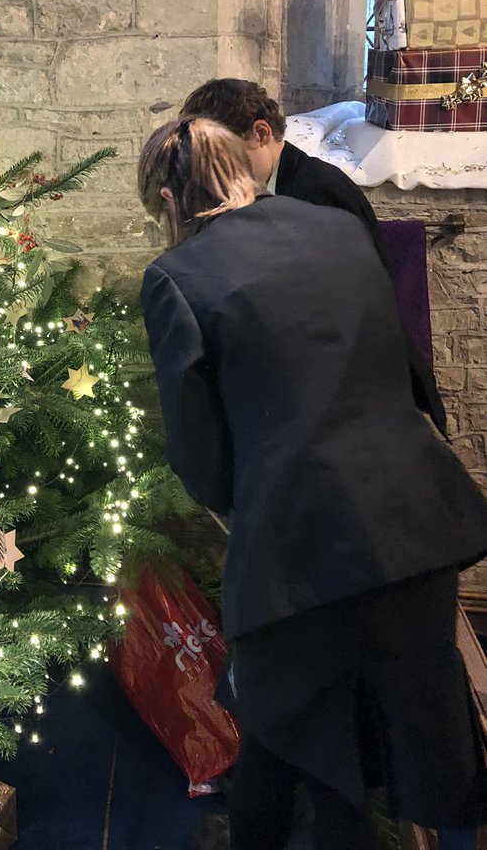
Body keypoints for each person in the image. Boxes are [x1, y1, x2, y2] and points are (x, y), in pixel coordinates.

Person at [138, 117, 487, 850]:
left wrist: (258, 493)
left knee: (298, 726)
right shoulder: (334, 227)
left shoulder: (176, 277)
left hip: (300, 542)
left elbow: (199, 460)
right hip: (416, 520)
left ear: (169, 201)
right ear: (243, 165)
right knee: (381, 712)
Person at [179, 77, 448, 438]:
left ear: (260, 134)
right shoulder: (263, 190)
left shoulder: (316, 191)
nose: (217, 176)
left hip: (363, 393)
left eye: (224, 160)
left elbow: (352, 310)